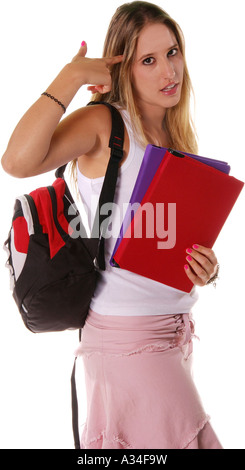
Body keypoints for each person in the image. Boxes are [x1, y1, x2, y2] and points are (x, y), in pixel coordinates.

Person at [1, 1, 222, 449]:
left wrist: (206, 267)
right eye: (148, 60)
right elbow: (16, 162)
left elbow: (166, 236)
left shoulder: (175, 139)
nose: (169, 71)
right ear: (123, 68)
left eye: (173, 53)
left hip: (173, 332)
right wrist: (71, 76)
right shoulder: (105, 122)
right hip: (127, 338)